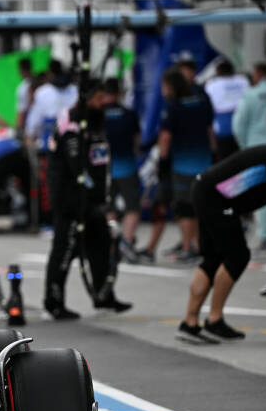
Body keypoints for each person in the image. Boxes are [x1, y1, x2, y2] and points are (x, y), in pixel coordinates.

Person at [43, 80, 132, 319]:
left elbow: (100, 163)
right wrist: (93, 200)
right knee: (65, 249)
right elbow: (78, 169)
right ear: (86, 98)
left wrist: (106, 199)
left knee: (102, 245)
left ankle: (104, 295)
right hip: (71, 201)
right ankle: (54, 301)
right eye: (99, 99)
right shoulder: (72, 122)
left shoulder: (97, 121)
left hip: (94, 201)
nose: (104, 103)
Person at [177, 144, 266, 343]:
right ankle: (214, 319)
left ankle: (190, 322)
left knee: (213, 259)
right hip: (217, 197)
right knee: (237, 256)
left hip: (207, 190)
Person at [142, 67, 215, 263]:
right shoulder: (202, 100)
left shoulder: (173, 107)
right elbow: (210, 131)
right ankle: (200, 247)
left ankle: (187, 247)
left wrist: (163, 162)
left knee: (185, 208)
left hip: (182, 165)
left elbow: (165, 137)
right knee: (200, 206)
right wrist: (214, 154)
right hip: (205, 162)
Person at [232, 63, 266, 255]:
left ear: (258, 75)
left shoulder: (251, 95)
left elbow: (239, 125)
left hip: (257, 149)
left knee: (261, 194)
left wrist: (244, 147)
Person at [103, 78, 142, 263]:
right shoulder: (129, 114)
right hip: (127, 167)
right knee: (132, 207)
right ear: (119, 92)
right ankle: (126, 242)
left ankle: (110, 243)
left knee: (108, 208)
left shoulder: (97, 114)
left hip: (104, 170)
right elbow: (137, 141)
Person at [25, 60, 78, 152]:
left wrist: (29, 134)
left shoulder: (42, 92)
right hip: (73, 140)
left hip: (52, 141)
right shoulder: (74, 90)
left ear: (49, 73)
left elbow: (34, 119)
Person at [205, 61, 250, 161]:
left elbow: (209, 107)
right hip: (245, 126)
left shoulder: (212, 85)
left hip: (223, 128)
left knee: (226, 161)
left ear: (218, 71)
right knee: (243, 160)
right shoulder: (243, 81)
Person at [15, 57, 33, 135]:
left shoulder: (22, 88)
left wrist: (18, 129)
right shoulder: (41, 82)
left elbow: (22, 111)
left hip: (30, 127)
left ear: (20, 70)